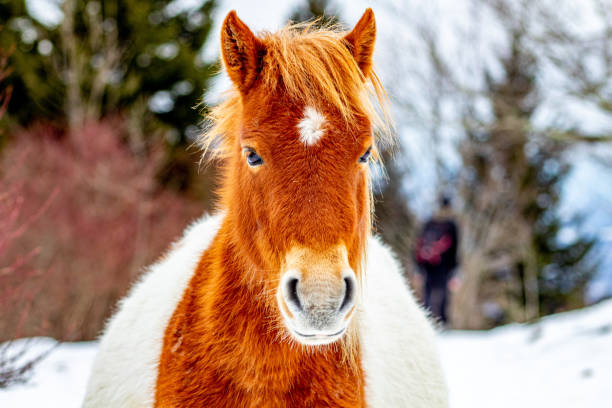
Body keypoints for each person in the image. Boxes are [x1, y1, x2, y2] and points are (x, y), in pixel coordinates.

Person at [415, 196, 459, 325]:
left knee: (432, 294)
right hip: (439, 267)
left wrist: (418, 267)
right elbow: (455, 249)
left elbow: (418, 246)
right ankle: (439, 323)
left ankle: (432, 322)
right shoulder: (449, 225)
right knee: (440, 295)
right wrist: (455, 271)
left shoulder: (430, 224)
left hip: (435, 266)